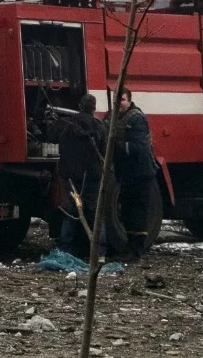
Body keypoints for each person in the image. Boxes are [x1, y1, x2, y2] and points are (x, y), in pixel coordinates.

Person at [50, 93, 121, 255]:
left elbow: (58, 144)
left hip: (73, 180)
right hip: (93, 178)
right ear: (94, 108)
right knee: (96, 215)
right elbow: (105, 151)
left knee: (71, 213)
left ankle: (64, 248)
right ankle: (100, 251)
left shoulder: (68, 126)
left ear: (80, 106)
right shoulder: (100, 127)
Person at [113, 88, 161, 261]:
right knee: (126, 212)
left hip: (141, 173)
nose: (119, 103)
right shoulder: (115, 118)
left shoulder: (137, 119)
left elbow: (137, 148)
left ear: (129, 100)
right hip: (127, 174)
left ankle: (137, 250)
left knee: (138, 212)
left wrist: (116, 145)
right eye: (116, 99)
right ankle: (130, 246)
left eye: (123, 100)